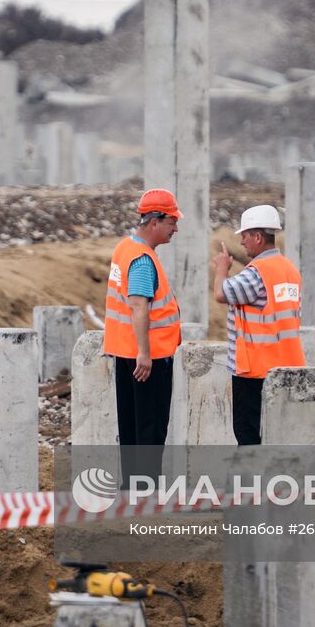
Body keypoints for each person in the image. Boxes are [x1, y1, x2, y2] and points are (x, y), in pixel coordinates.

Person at [104, 188, 183, 487]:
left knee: (132, 427)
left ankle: (132, 488)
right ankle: (145, 492)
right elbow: (139, 306)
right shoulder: (141, 259)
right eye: (172, 221)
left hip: (124, 353)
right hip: (147, 359)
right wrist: (145, 354)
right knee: (150, 429)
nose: (175, 228)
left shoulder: (125, 248)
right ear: (155, 221)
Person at [212, 204, 305, 446]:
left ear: (258, 236)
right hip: (287, 364)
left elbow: (221, 293)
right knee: (278, 436)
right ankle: (277, 483)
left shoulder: (257, 273)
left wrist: (222, 269)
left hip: (254, 369)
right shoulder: (290, 270)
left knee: (248, 435)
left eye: (244, 236)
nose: (242, 242)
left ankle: (254, 484)